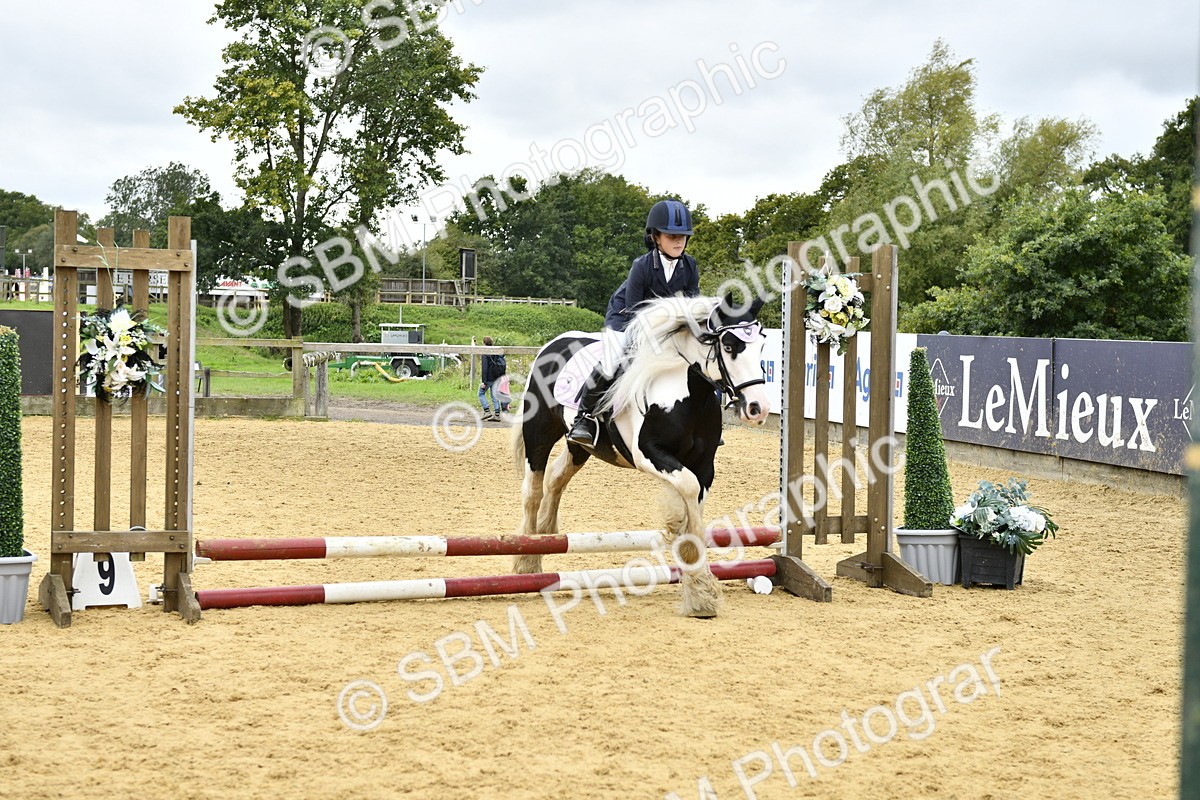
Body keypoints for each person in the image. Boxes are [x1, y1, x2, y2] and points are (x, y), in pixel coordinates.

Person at [566, 198, 700, 446]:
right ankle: (583, 418)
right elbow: (634, 308)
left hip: (665, 324)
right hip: (626, 318)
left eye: (683, 236)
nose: (679, 241)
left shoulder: (689, 266)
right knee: (613, 359)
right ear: (655, 237)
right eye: (672, 236)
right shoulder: (641, 266)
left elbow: (692, 306)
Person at [479, 336, 507, 420]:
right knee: (494, 396)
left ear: (484, 343)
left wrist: (484, 381)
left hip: (488, 378)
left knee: (480, 393)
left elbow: (485, 368)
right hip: (497, 377)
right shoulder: (497, 351)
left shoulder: (485, 353)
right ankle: (497, 415)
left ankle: (487, 410)